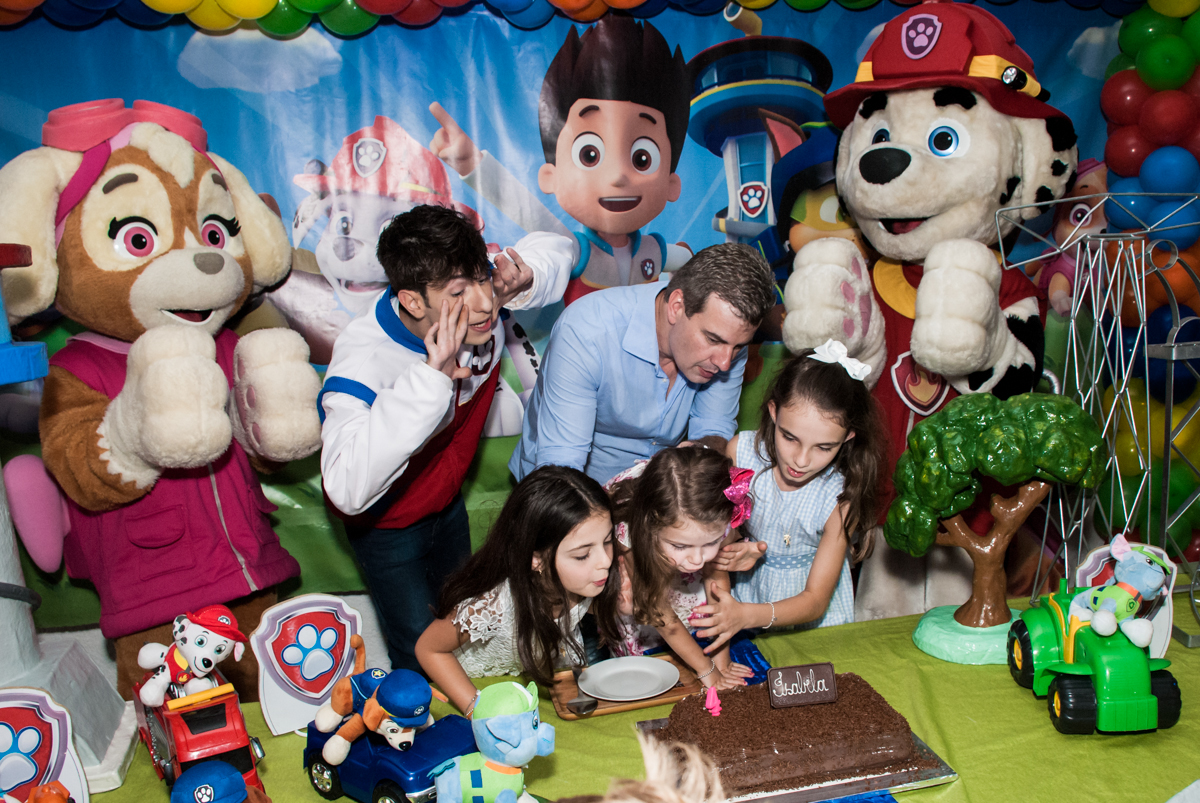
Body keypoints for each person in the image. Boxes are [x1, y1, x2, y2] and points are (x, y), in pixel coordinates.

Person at [319, 204, 573, 673]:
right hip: (387, 528)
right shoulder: (364, 361)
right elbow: (345, 488)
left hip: (447, 507)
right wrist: (429, 380)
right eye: (459, 292)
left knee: (464, 628)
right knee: (419, 655)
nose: (483, 302)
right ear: (413, 302)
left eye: (483, 278)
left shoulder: (479, 301)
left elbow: (562, 246)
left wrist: (527, 275)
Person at [509, 243, 777, 485]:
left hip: (654, 504)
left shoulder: (727, 343)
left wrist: (699, 456)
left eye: (739, 346)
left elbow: (714, 427)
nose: (725, 362)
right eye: (712, 339)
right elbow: (561, 470)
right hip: (570, 496)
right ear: (676, 306)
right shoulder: (586, 332)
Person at [690, 341, 887, 650]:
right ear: (773, 412)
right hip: (745, 605)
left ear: (847, 438)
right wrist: (738, 546)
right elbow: (718, 537)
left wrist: (745, 615)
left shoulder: (840, 498)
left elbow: (815, 601)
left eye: (824, 447)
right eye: (789, 437)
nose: (801, 460)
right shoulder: (740, 454)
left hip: (813, 626)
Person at [415, 465, 622, 716]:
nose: (604, 561)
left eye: (608, 541)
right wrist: (478, 710)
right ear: (536, 559)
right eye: (582, 555)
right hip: (476, 692)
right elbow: (428, 649)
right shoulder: (492, 604)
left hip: (537, 690)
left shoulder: (585, 581)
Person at [609, 447, 754, 690]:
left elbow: (717, 584)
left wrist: (721, 658)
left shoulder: (715, 507)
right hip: (643, 595)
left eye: (710, 543)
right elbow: (661, 615)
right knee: (643, 674)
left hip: (680, 589)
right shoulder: (631, 535)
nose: (697, 560)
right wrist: (707, 670)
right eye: (680, 545)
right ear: (651, 527)